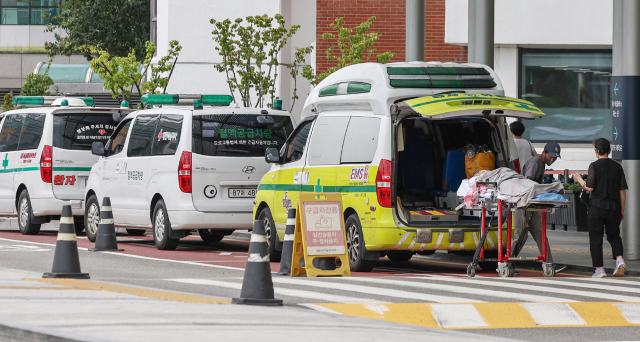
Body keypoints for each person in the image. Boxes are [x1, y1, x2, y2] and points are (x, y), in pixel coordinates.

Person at [574, 138, 627, 278]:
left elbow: (590, 186)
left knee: (596, 238)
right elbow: (622, 191)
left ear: (597, 151)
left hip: (597, 207)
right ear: (609, 151)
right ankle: (620, 260)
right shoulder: (618, 167)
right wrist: (622, 209)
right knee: (614, 235)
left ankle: (600, 270)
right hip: (614, 207)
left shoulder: (594, 166)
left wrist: (579, 179)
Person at [512, 142, 566, 274]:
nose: (552, 159)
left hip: (532, 204)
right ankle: (506, 262)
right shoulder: (535, 162)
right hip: (523, 204)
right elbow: (527, 182)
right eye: (551, 156)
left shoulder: (541, 163)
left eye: (554, 158)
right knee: (520, 236)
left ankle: (549, 264)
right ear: (544, 152)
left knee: (540, 234)